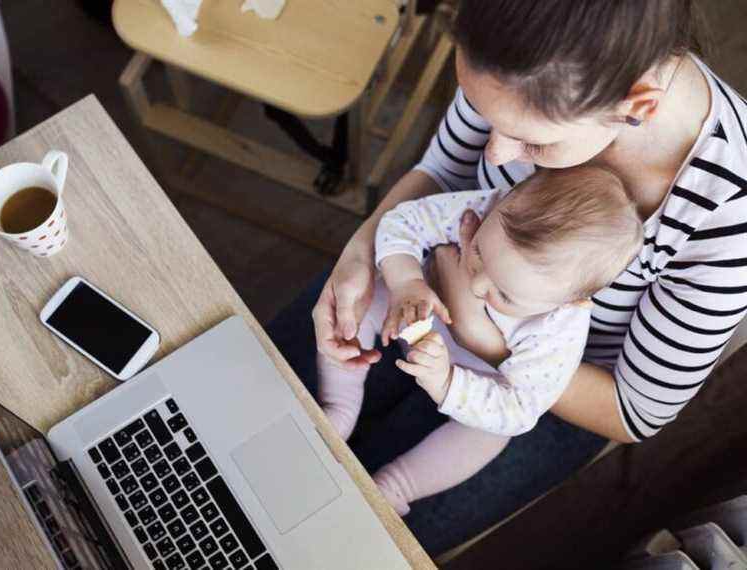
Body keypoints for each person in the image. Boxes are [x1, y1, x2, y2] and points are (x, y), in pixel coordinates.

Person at [267, 0, 747, 554]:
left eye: (534, 142)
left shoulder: (729, 218)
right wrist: (360, 252)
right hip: (422, 277)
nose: (497, 153)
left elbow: (633, 411)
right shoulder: (522, 48)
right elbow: (443, 171)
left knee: (341, 542)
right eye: (482, 111)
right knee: (258, 416)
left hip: (545, 390)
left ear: (636, 104)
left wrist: (485, 339)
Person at [317, 167, 643, 515]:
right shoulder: (490, 207)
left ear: (570, 301)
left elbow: (520, 408)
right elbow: (403, 221)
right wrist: (406, 282)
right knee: (361, 303)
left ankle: (396, 486)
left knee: (491, 434)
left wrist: (447, 383)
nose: (476, 286)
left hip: (477, 376)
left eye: (504, 294)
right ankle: (339, 406)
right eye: (479, 255)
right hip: (414, 309)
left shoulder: (561, 327)